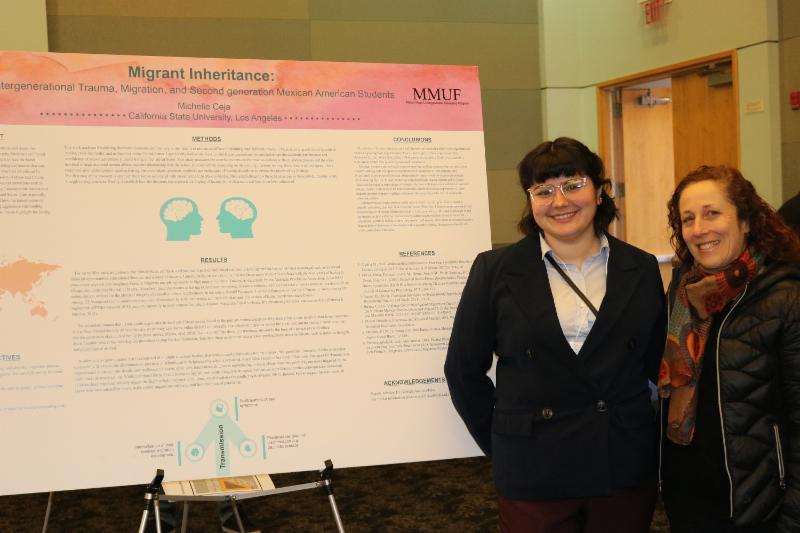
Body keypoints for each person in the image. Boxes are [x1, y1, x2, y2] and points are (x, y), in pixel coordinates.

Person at [444, 137, 667, 533]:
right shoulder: (496, 270)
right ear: (530, 201)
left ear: (600, 191)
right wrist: (506, 443)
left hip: (620, 462)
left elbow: (654, 365)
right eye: (543, 190)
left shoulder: (642, 267)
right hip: (534, 467)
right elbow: (463, 370)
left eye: (573, 184)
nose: (560, 202)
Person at [658, 165, 800, 532]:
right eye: (687, 219)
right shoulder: (683, 294)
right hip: (688, 499)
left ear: (747, 221)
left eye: (712, 213)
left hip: (759, 508)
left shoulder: (785, 297)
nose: (699, 229)